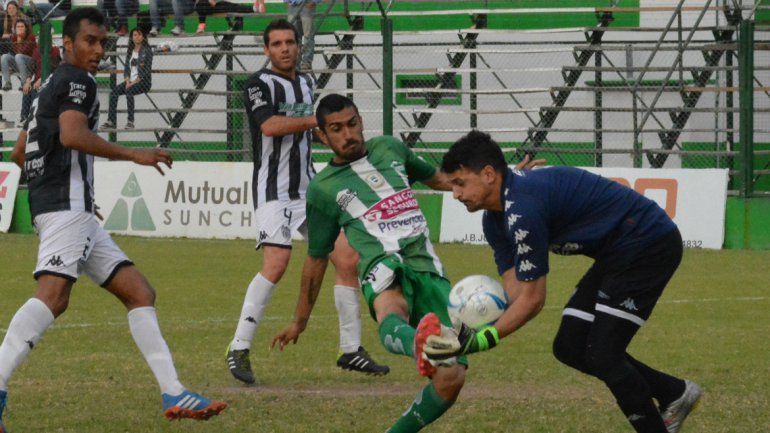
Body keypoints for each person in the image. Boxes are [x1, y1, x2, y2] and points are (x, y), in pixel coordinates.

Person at [0, 9, 227, 431]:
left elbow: (19, 153)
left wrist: (75, 196)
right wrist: (134, 154)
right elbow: (71, 135)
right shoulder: (77, 81)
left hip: (67, 207)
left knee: (140, 292)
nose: (99, 50)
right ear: (66, 43)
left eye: (103, 42)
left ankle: (173, 390)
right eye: (90, 41)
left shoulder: (46, 85)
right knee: (53, 296)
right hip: (66, 208)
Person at [425, 130, 703, 433]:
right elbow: (515, 290)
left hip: (648, 242)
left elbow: (533, 300)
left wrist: (481, 339)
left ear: (489, 174)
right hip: (618, 251)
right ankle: (674, 392)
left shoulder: (523, 210)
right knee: (570, 346)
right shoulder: (495, 220)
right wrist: (469, 323)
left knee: (603, 353)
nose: (455, 194)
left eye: (460, 183)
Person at [270, 93, 468, 432]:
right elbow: (316, 260)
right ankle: (417, 342)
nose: (348, 134)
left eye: (352, 124)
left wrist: (496, 184)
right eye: (336, 129)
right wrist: (299, 321)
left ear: (361, 121)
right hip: (382, 264)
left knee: (451, 378)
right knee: (392, 310)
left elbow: (437, 178)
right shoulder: (322, 190)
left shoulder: (390, 148)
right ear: (322, 136)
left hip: (428, 266)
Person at [225, 19, 388, 386]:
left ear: (299, 46)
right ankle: (239, 346)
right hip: (273, 191)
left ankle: (350, 349)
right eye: (277, 43)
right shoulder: (257, 84)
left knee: (348, 257)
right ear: (266, 50)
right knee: (277, 262)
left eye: (290, 42)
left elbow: (313, 130)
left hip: (310, 190)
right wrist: (316, 119)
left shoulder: (306, 82)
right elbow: (268, 127)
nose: (284, 48)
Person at [102, 27, 152, 129]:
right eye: (134, 35)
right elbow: (126, 67)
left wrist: (133, 82)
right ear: (132, 37)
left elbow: (146, 70)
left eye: (139, 35)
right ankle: (111, 121)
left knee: (129, 91)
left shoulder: (147, 51)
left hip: (143, 82)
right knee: (114, 92)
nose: (137, 37)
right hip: (130, 81)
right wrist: (127, 80)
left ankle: (130, 122)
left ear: (143, 37)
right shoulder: (130, 50)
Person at [20, 44, 60, 125]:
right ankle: (24, 118)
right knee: (27, 89)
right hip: (37, 80)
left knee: (35, 89)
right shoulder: (36, 51)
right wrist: (27, 82)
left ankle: (33, 117)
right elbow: (31, 68)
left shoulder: (55, 50)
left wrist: (42, 78)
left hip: (50, 79)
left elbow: (54, 67)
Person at [1, 19, 35, 90]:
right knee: (4, 56)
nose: (20, 28)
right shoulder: (13, 37)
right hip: (19, 63)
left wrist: (19, 40)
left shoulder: (31, 37)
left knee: (18, 56)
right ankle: (8, 83)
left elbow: (23, 52)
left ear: (26, 28)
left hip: (30, 64)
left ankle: (23, 83)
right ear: (15, 28)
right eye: (18, 27)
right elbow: (14, 52)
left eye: (22, 26)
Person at [194, 0, 263, 34]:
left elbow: (213, 3)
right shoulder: (200, 5)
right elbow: (213, 3)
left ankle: (253, 8)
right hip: (208, 8)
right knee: (231, 6)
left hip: (205, 8)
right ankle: (254, 8)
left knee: (230, 5)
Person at [285, 0, 318, 71]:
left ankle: (306, 62)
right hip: (292, 5)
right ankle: (295, 61)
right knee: (293, 36)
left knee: (308, 36)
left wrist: (314, 2)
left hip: (307, 5)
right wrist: (287, 1)